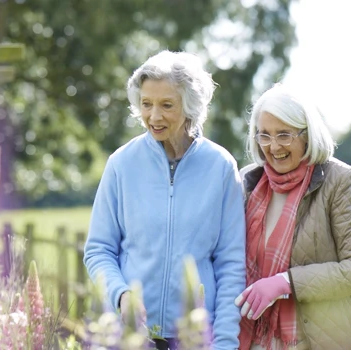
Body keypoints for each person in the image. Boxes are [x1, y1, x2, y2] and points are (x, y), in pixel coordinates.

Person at [83, 50, 246, 349]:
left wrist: (223, 342)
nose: (154, 116)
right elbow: (98, 250)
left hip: (194, 336)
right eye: (146, 104)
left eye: (166, 105)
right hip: (129, 335)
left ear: (191, 107)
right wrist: (120, 294)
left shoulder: (221, 166)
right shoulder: (121, 164)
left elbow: (231, 264)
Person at [234, 84, 351, 350]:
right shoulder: (249, 181)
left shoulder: (342, 181)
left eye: (284, 135)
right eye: (265, 136)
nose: (274, 147)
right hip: (258, 340)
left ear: (307, 135)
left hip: (329, 340)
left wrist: (285, 282)